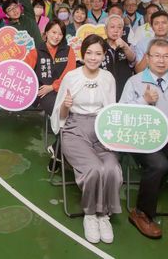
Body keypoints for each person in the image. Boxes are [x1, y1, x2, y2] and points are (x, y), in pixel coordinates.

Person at [120, 38, 168, 240]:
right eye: (156, 56)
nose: (161, 61)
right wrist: (144, 101)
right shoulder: (135, 82)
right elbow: (123, 114)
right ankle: (141, 213)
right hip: (143, 139)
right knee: (159, 165)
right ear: (147, 57)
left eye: (166, 56)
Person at [51, 34, 121, 244]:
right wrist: (65, 104)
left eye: (98, 53)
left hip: (102, 128)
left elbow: (111, 109)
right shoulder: (71, 77)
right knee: (93, 168)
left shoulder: (108, 78)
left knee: (112, 169)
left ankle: (104, 215)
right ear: (83, 53)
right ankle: (91, 215)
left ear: (104, 55)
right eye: (89, 52)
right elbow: (60, 114)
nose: (93, 57)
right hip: (75, 128)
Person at [25, 20, 76, 118]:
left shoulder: (68, 50)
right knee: (58, 109)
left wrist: (53, 87)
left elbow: (69, 74)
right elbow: (24, 71)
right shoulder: (36, 51)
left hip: (64, 90)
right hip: (44, 93)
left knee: (74, 108)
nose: (56, 37)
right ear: (47, 32)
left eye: (60, 34)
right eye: (54, 32)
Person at [134, 11, 168, 77]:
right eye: (156, 23)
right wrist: (149, 53)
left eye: (164, 23)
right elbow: (138, 71)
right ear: (151, 26)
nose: (160, 26)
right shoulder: (142, 44)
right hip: (146, 84)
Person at [102, 15, 136, 101]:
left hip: (124, 90)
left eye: (119, 27)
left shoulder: (128, 46)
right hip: (104, 91)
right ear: (105, 29)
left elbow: (133, 60)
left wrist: (125, 46)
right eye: (112, 27)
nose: (116, 30)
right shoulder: (100, 46)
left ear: (122, 31)